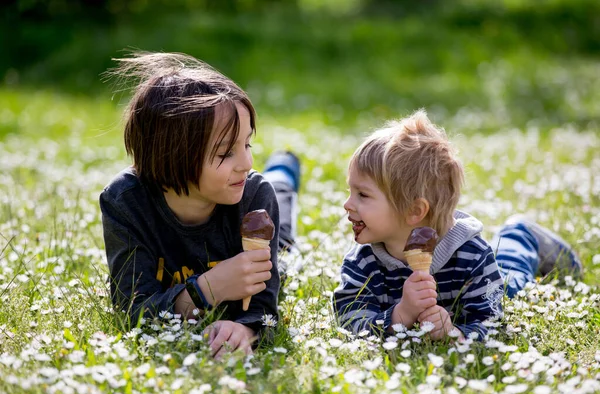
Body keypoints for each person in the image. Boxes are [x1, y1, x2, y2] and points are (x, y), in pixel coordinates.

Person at [100, 51, 299, 358]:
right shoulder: (126, 204)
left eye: (247, 144)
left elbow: (263, 306)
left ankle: (283, 173)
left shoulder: (254, 195)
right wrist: (208, 289)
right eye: (225, 153)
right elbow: (132, 312)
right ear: (172, 156)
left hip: (261, 202)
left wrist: (245, 329)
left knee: (282, 237)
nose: (246, 162)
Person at [333, 110, 582, 341]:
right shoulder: (363, 260)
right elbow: (349, 319)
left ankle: (521, 236)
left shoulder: (472, 256)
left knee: (512, 281)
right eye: (350, 191)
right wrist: (401, 315)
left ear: (414, 211)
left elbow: (490, 321)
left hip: (494, 282)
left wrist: (454, 333)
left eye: (362, 195)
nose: (347, 204)